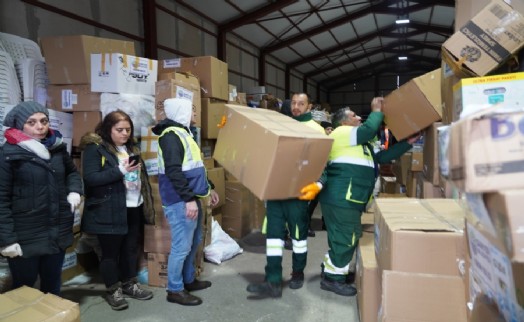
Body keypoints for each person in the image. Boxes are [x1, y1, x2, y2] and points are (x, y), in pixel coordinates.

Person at [318, 97, 420, 296]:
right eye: (353, 115)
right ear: (343, 122)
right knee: (348, 236)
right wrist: (376, 111)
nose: (358, 118)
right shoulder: (342, 133)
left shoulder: (360, 142)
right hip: (342, 197)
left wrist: (408, 143)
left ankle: (332, 269)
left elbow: (382, 157)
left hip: (349, 197)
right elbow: (368, 129)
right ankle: (333, 279)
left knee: (341, 236)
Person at [247, 92, 327, 298]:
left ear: (309, 107)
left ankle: (297, 273)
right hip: (276, 192)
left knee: (298, 239)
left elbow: (325, 164)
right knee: (274, 238)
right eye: (294, 103)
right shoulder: (280, 125)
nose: (296, 107)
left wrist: (318, 184)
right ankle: (272, 281)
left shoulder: (316, 130)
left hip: (298, 195)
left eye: (302, 104)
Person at [0, 101, 83, 295]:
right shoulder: (7, 155)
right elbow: (1, 201)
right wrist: (7, 240)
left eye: (44, 121)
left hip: (57, 230)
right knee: (23, 289)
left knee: (52, 283)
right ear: (20, 125)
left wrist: (74, 190)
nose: (40, 126)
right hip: (26, 236)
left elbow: (72, 173)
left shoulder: (57, 148)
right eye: (32, 122)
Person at [80, 110, 155, 310]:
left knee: (130, 250)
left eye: (128, 130)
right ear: (108, 129)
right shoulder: (95, 149)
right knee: (110, 254)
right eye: (119, 130)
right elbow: (91, 178)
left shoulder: (131, 148)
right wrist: (121, 170)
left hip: (133, 207)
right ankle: (114, 290)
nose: (124, 134)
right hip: (109, 210)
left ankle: (129, 284)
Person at [152, 98, 219, 306]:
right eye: (192, 111)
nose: (195, 115)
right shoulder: (170, 137)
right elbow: (174, 172)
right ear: (181, 112)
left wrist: (210, 188)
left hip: (191, 198)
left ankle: (188, 280)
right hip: (180, 200)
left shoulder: (184, 133)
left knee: (194, 240)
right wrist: (188, 199)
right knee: (181, 246)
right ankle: (175, 289)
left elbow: (195, 167)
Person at [306, 120, 333, 237]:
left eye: (331, 129)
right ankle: (306, 225)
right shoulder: (319, 142)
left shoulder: (332, 142)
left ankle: (326, 222)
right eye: (328, 129)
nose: (330, 131)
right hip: (316, 176)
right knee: (312, 202)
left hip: (326, 176)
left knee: (326, 201)